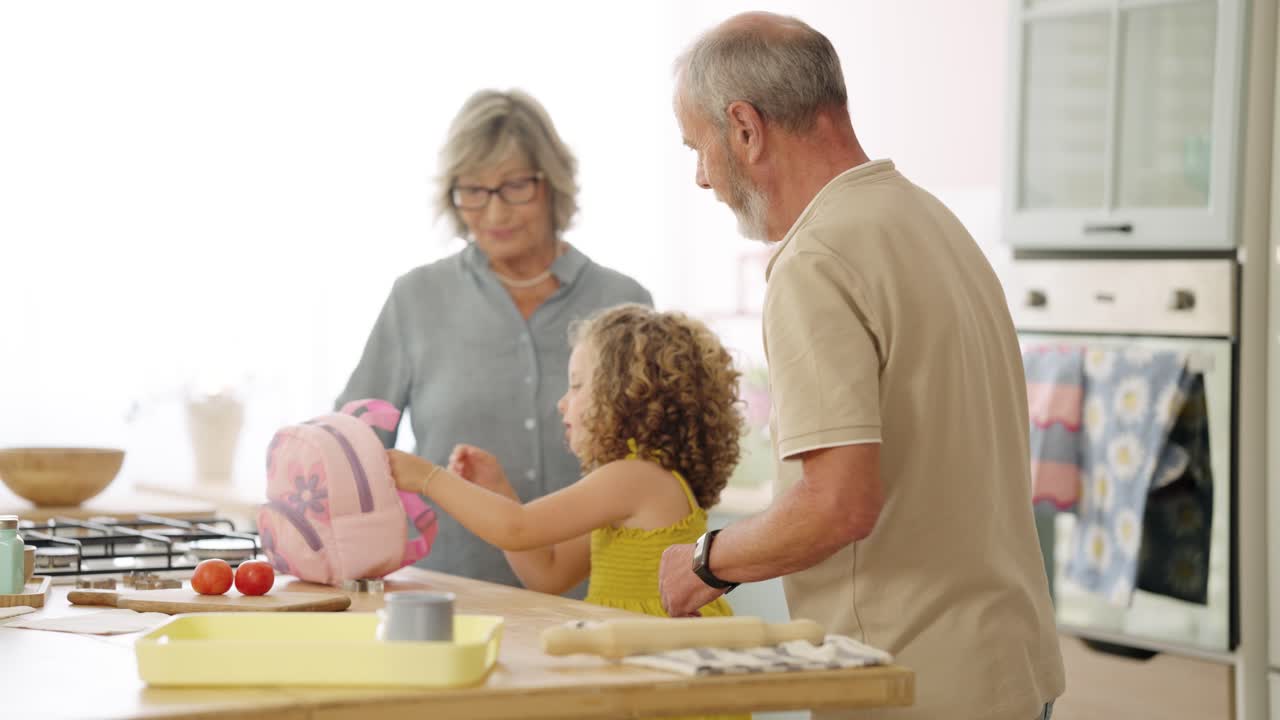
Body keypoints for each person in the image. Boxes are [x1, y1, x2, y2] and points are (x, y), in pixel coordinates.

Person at [657, 12, 1065, 720]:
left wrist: (706, 561)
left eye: (698, 147)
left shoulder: (816, 260)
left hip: (908, 683)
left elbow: (840, 503)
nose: (700, 178)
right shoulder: (932, 224)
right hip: (1011, 667)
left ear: (746, 129)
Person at [337, 89, 652, 593]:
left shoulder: (622, 303)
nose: (494, 212)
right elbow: (355, 443)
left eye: (513, 187)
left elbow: (650, 460)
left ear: (551, 184)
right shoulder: (418, 297)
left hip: (591, 599)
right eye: (473, 191)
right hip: (442, 595)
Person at [387, 303, 748, 720]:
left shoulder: (633, 477)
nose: (562, 403)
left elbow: (517, 529)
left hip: (662, 668)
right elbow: (548, 573)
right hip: (643, 662)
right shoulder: (642, 481)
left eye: (577, 386)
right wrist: (500, 490)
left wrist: (427, 477)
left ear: (627, 397)